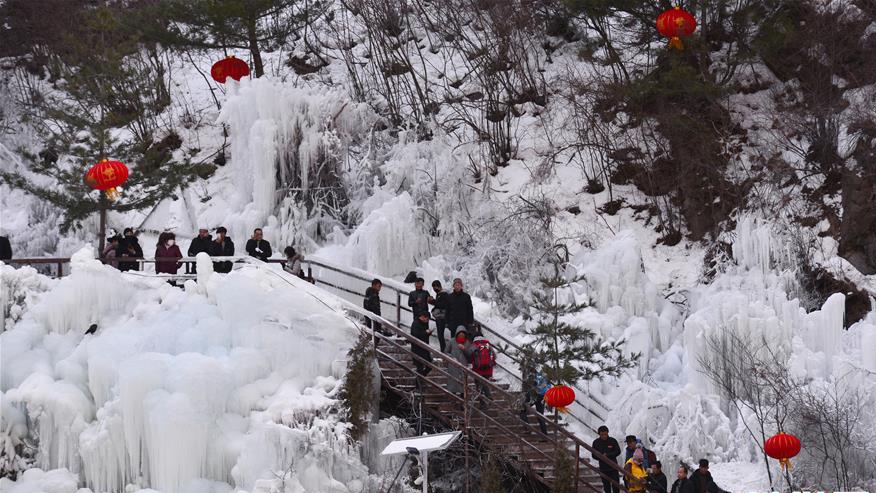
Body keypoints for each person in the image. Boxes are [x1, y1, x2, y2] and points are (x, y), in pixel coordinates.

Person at [520, 358, 549, 435]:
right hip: (543, 396)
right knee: (540, 416)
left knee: (522, 410)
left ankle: (527, 428)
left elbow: (531, 384)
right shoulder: (543, 373)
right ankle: (545, 435)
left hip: (534, 395)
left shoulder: (533, 373)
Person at [592, 425, 622, 493]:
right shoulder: (596, 442)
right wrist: (601, 457)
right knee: (606, 487)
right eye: (602, 435)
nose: (604, 436)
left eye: (605, 434)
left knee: (616, 486)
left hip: (613, 467)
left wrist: (608, 455)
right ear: (599, 434)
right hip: (603, 468)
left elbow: (618, 451)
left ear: (608, 433)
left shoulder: (612, 440)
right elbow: (593, 455)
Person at [446, 327, 474, 397]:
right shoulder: (451, 341)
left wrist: (464, 349)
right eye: (460, 335)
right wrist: (452, 357)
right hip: (453, 365)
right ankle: (453, 398)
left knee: (463, 383)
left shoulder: (467, 343)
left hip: (463, 365)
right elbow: (446, 352)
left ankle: (462, 399)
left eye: (463, 335)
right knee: (453, 382)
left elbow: (470, 355)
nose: (461, 336)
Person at [469, 333, 495, 404]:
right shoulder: (488, 344)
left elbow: (470, 355)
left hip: (478, 369)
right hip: (488, 369)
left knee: (478, 385)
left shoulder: (475, 344)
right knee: (485, 383)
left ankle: (483, 401)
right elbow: (494, 356)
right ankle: (488, 398)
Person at [410, 311, 433, 375]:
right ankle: (419, 382)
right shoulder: (416, 323)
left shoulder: (423, 323)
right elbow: (415, 334)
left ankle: (421, 379)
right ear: (423, 317)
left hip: (424, 349)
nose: (427, 320)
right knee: (420, 367)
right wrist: (426, 333)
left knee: (429, 365)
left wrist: (428, 333)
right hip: (417, 349)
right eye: (427, 319)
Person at [428, 280, 449, 352]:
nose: (434, 289)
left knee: (440, 334)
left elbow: (442, 305)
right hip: (440, 317)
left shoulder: (444, 294)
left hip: (442, 317)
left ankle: (444, 350)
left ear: (439, 286)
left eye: (435, 287)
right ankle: (443, 349)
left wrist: (433, 301)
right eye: (433, 288)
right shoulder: (439, 294)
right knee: (440, 334)